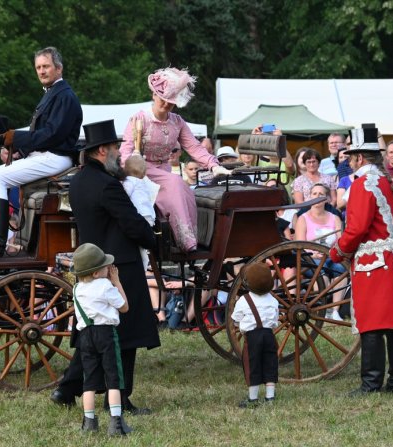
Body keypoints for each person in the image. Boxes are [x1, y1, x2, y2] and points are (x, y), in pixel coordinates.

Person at [51, 120, 158, 415]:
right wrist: (153, 239)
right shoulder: (107, 184)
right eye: (114, 148)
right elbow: (131, 222)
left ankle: (67, 388)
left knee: (93, 330)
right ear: (101, 151)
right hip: (117, 266)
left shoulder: (80, 181)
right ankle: (122, 399)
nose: (118, 155)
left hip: (90, 264)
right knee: (126, 336)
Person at [329, 124, 393, 394]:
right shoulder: (390, 183)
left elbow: (355, 229)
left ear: (359, 157)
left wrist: (337, 251)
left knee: (372, 323)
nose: (348, 161)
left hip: (373, 260)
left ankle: (370, 384)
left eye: (350, 156)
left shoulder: (361, 184)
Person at [0, 46, 82, 256]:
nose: (41, 71)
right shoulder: (52, 94)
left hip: (56, 157)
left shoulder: (64, 96)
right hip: (44, 154)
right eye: (38, 67)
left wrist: (18, 137)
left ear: (59, 68)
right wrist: (19, 148)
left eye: (46, 66)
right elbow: (42, 135)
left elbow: (52, 134)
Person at [119, 67, 228, 252]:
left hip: (165, 172)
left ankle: (192, 239)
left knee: (187, 191)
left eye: (172, 102)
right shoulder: (139, 119)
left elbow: (193, 146)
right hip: (143, 173)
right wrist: (129, 164)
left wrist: (213, 165)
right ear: (154, 94)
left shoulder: (177, 122)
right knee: (176, 182)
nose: (167, 105)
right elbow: (125, 150)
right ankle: (186, 242)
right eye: (164, 99)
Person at [71, 243, 130, 436]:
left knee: (89, 381)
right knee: (113, 378)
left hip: (85, 336)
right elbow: (124, 307)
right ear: (97, 273)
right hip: (105, 334)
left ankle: (89, 423)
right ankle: (116, 424)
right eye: (106, 266)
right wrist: (117, 282)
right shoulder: (105, 286)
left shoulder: (77, 289)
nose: (109, 268)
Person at [294, 183, 347, 320]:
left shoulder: (334, 218)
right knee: (321, 272)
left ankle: (334, 311)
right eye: (314, 194)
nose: (317, 196)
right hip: (312, 259)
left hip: (331, 256)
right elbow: (300, 244)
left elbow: (340, 241)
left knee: (341, 270)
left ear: (327, 198)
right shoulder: (303, 219)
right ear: (310, 197)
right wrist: (313, 253)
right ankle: (323, 309)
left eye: (321, 194)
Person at [231, 263, 279, 408]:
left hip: (252, 337)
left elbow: (236, 318)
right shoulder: (273, 300)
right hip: (269, 335)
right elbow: (275, 321)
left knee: (253, 365)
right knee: (270, 363)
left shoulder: (244, 300)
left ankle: (253, 399)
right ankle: (270, 397)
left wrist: (239, 325)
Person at [122, 155, 157, 269]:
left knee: (139, 247)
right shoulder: (143, 182)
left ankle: (143, 265)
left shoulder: (129, 181)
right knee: (142, 246)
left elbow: (124, 195)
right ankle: (145, 262)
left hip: (139, 217)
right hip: (149, 216)